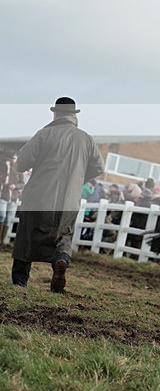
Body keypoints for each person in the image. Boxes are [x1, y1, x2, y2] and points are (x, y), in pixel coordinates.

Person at [12, 97, 104, 292]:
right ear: (74, 115)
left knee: (26, 237)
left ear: (55, 113)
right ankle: (61, 261)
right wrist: (78, 180)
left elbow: (21, 164)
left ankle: (20, 281)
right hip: (70, 199)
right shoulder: (86, 138)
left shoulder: (44, 134)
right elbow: (99, 167)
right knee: (64, 235)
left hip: (39, 197)